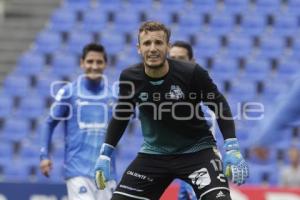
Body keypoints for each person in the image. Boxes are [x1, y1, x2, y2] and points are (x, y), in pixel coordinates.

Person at [94, 21, 249, 200]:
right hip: (154, 155)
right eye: (147, 43)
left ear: (168, 46)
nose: (153, 48)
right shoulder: (130, 77)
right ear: (139, 48)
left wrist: (232, 147)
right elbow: (121, 116)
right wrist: (105, 155)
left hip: (197, 153)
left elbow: (219, 104)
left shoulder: (192, 73)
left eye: (158, 43)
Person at [40, 43, 117, 200]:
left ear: (105, 64)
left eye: (99, 62)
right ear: (82, 63)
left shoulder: (114, 95)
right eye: (90, 61)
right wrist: (44, 156)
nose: (94, 66)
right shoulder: (69, 92)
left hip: (107, 174)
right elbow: (49, 123)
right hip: (78, 172)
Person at [170, 40, 197, 200]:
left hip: (199, 166)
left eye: (181, 59)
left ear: (191, 62)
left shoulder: (200, 90)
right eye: (172, 59)